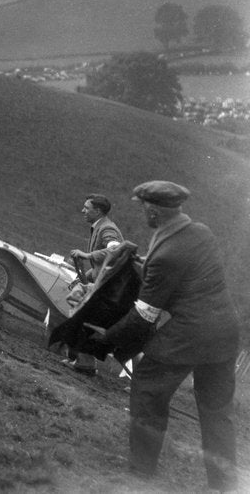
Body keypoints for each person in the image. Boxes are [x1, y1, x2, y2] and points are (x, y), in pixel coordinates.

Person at [94, 181, 240, 491]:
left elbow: (144, 315)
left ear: (153, 211)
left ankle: (141, 471)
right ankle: (224, 485)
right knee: (217, 411)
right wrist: (139, 262)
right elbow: (179, 270)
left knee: (148, 387)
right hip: (225, 332)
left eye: (143, 208)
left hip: (189, 334)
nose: (143, 213)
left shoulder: (167, 254)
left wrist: (107, 336)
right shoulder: (200, 232)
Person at [62, 193, 125, 375]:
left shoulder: (107, 229)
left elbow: (115, 250)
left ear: (97, 211)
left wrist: (87, 255)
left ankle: (84, 363)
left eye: (86, 208)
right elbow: (102, 264)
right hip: (105, 284)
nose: (83, 211)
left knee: (83, 315)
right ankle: (80, 359)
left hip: (110, 288)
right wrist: (89, 275)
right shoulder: (100, 227)